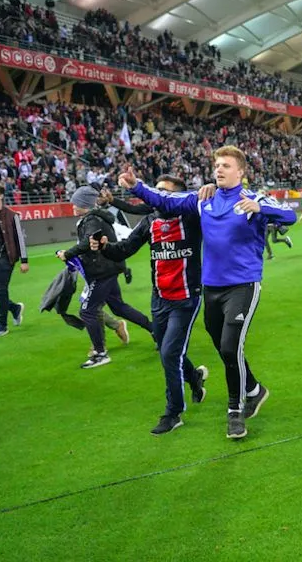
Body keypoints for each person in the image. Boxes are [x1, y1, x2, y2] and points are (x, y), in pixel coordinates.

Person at [120, 146, 297, 439]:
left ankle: (235, 412)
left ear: (241, 171)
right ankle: (254, 389)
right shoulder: (204, 199)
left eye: (226, 165)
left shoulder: (253, 199)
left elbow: (289, 215)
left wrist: (261, 209)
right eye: (216, 165)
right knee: (224, 347)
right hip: (211, 288)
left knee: (230, 347)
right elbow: (165, 199)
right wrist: (136, 186)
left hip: (243, 285)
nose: (219, 169)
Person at [94, 175, 209, 435]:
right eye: (155, 191)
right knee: (169, 350)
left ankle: (174, 413)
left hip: (186, 298)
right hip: (159, 299)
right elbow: (124, 249)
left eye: (163, 193)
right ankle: (194, 377)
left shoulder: (192, 218)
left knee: (169, 353)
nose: (156, 197)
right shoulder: (150, 221)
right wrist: (104, 247)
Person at [57, 185, 153, 369]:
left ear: (84, 203)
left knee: (87, 311)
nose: (73, 207)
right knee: (119, 307)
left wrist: (67, 254)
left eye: (76, 204)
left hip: (102, 271)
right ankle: (155, 330)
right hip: (107, 268)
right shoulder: (95, 217)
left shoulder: (92, 219)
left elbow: (88, 241)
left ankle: (100, 353)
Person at [0, 183, 27, 337]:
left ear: (1, 196)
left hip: (5, 258)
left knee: (0, 289)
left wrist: (24, 260)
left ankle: (2, 325)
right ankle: (14, 308)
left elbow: (20, 239)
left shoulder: (12, 216)